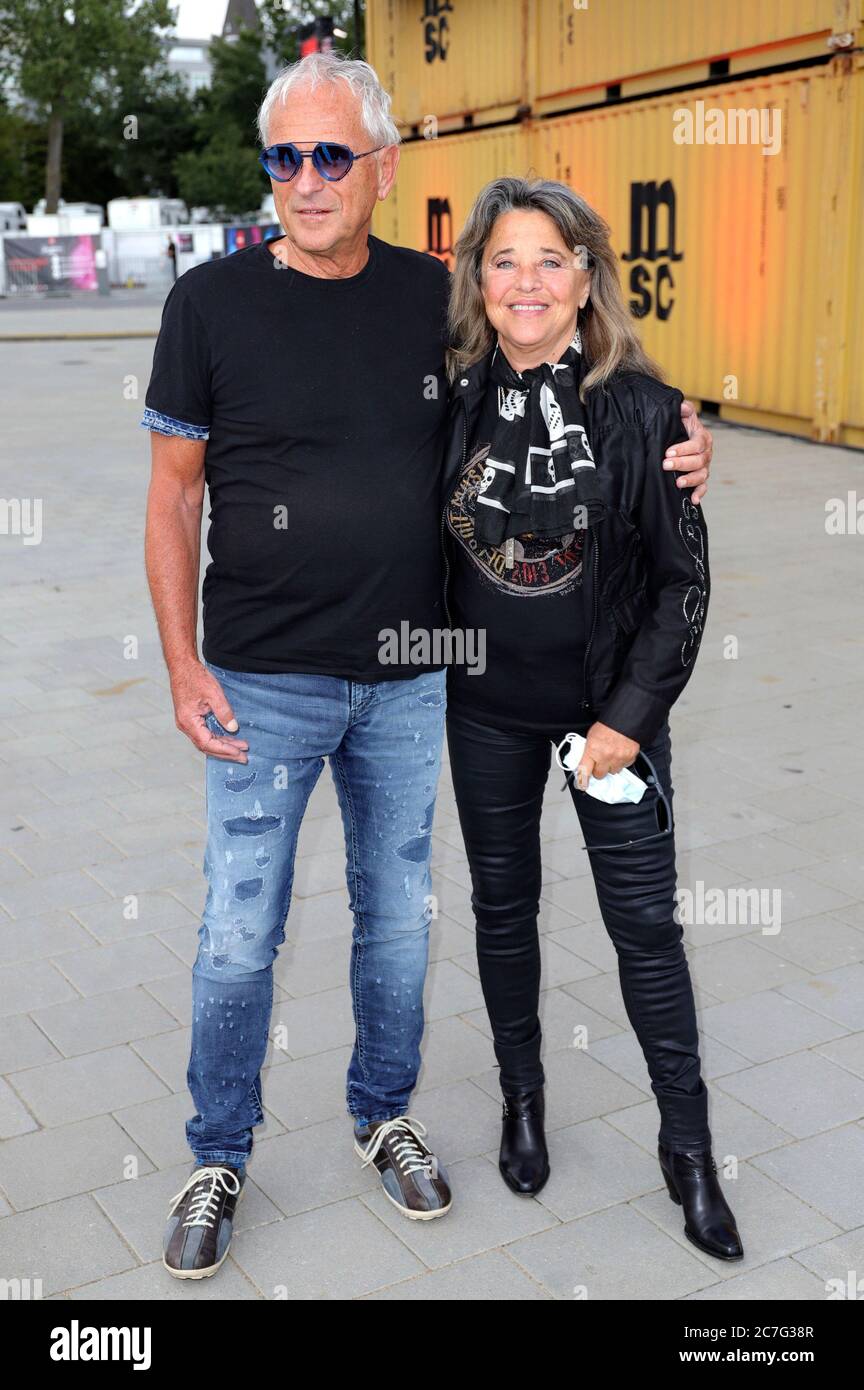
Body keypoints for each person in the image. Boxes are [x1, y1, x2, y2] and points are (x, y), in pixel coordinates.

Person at [141, 53, 714, 1280]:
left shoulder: (431, 303)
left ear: (382, 168)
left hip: (413, 675)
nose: (305, 181)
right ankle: (216, 1148)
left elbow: (546, 370)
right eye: (284, 158)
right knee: (240, 935)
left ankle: (382, 1111)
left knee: (398, 924)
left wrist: (675, 438)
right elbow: (170, 497)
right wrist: (181, 660)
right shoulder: (209, 305)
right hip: (261, 675)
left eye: (331, 156)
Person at [441, 176, 742, 1261]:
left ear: (585, 280)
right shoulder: (447, 396)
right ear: (480, 278)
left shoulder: (648, 412)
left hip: (612, 723)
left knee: (647, 931)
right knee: (502, 912)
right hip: (482, 711)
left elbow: (682, 587)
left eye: (550, 260)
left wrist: (627, 718)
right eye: (507, 259)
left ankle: (691, 1148)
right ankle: (522, 1101)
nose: (528, 281)